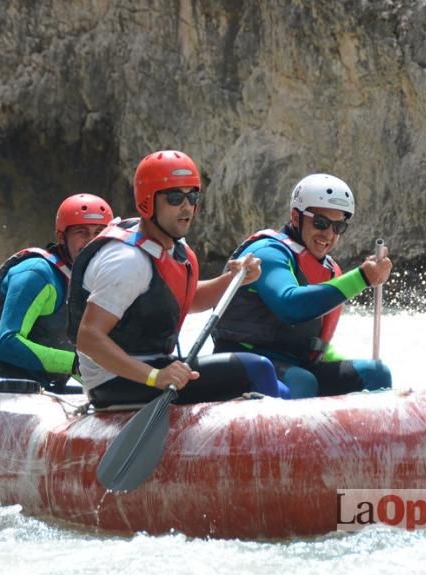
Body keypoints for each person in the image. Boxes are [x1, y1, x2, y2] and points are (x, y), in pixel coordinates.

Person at [68, 150, 289, 408]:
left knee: (278, 384)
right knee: (256, 369)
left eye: (192, 196)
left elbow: (187, 299)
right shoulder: (128, 261)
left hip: (154, 368)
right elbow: (89, 337)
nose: (187, 207)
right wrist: (156, 377)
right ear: (147, 202)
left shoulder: (171, 249)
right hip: (115, 381)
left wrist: (232, 279)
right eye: (175, 198)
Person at [211, 173, 393, 398]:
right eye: (320, 223)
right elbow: (291, 305)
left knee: (376, 373)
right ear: (296, 218)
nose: (328, 234)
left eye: (338, 227)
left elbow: (312, 340)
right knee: (302, 381)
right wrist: (362, 278)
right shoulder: (266, 252)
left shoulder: (329, 269)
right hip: (246, 362)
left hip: (295, 365)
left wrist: (340, 361)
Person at [0, 193, 112, 392]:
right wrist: (74, 364)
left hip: (42, 388)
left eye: (99, 233)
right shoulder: (36, 274)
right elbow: (8, 342)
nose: (92, 241)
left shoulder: (90, 283)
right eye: (81, 232)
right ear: (62, 237)